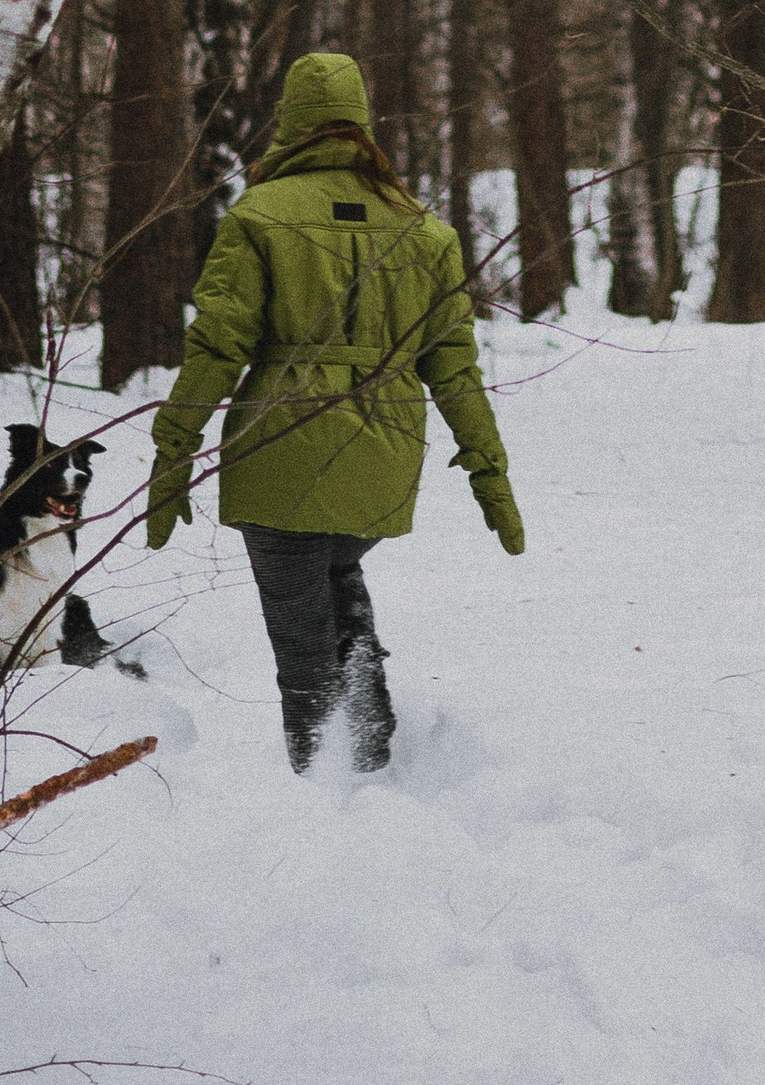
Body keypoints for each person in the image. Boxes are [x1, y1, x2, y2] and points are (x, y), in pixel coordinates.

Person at [146, 49, 524, 771]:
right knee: (335, 576)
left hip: (275, 451)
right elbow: (455, 369)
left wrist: (173, 453)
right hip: (384, 456)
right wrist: (491, 477)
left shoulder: (257, 217)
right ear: (361, 128)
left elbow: (217, 348)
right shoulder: (423, 228)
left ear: (290, 125)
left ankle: (327, 789)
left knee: (300, 648)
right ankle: (372, 750)